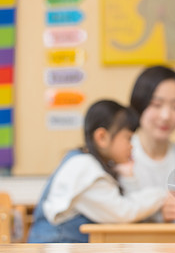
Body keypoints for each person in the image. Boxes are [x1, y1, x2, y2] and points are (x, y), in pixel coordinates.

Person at [28, 100, 166, 243]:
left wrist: (128, 176)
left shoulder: (82, 160)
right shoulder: (85, 169)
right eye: (128, 138)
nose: (132, 146)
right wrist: (162, 195)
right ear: (102, 137)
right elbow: (124, 212)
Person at [129, 65, 175, 222]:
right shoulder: (118, 156)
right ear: (139, 105)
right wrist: (159, 214)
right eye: (156, 105)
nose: (166, 116)